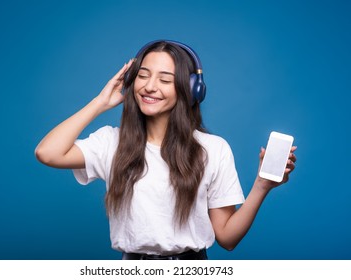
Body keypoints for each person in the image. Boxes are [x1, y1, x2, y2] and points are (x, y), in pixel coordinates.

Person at [35, 40, 297, 260]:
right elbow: (47, 153)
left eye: (165, 79)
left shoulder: (213, 149)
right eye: (143, 75)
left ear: (190, 89)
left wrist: (262, 185)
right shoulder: (110, 143)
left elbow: (227, 238)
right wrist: (100, 102)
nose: (150, 86)